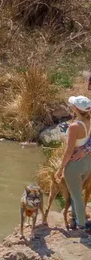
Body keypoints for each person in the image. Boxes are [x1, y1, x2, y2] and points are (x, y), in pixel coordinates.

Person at [59, 95, 91, 232]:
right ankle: (75, 218)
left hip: (74, 166)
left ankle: (81, 226)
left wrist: (60, 168)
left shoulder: (74, 127)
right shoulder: (89, 121)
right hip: (87, 163)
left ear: (76, 109)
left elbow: (69, 151)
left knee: (76, 196)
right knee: (76, 192)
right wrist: (84, 150)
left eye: (72, 105)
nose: (71, 106)